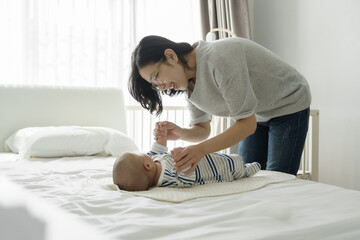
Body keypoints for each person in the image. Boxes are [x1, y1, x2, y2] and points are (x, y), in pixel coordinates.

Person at [128, 35, 311, 176]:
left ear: (170, 55)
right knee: (247, 176)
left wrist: (200, 151)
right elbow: (202, 129)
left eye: (156, 77)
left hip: (288, 103)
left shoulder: (219, 58)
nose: (161, 86)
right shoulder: (188, 83)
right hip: (256, 113)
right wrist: (181, 133)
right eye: (155, 85)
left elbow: (247, 125)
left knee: (276, 180)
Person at [112, 129, 260, 191]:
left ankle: (249, 167)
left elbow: (157, 150)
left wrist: (161, 138)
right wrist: (181, 161)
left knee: (228, 158)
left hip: (208, 158)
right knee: (236, 166)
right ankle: (250, 169)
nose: (145, 153)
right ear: (147, 165)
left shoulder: (153, 160)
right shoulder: (166, 178)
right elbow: (186, 180)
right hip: (219, 171)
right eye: (139, 154)